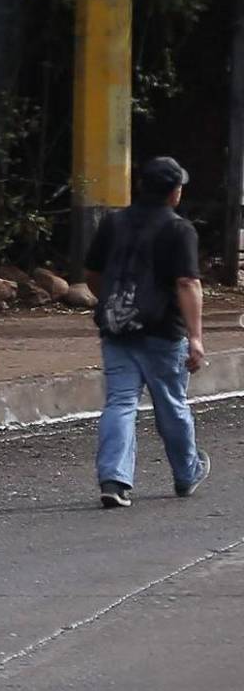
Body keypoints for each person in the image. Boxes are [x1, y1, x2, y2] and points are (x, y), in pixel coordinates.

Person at [84, 156, 210, 508]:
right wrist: (196, 337)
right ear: (174, 193)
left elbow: (93, 274)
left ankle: (114, 480)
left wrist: (117, 303)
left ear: (140, 186)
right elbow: (187, 283)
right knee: (170, 403)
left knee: (120, 402)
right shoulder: (179, 229)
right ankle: (186, 473)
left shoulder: (113, 223)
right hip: (163, 332)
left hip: (117, 330)